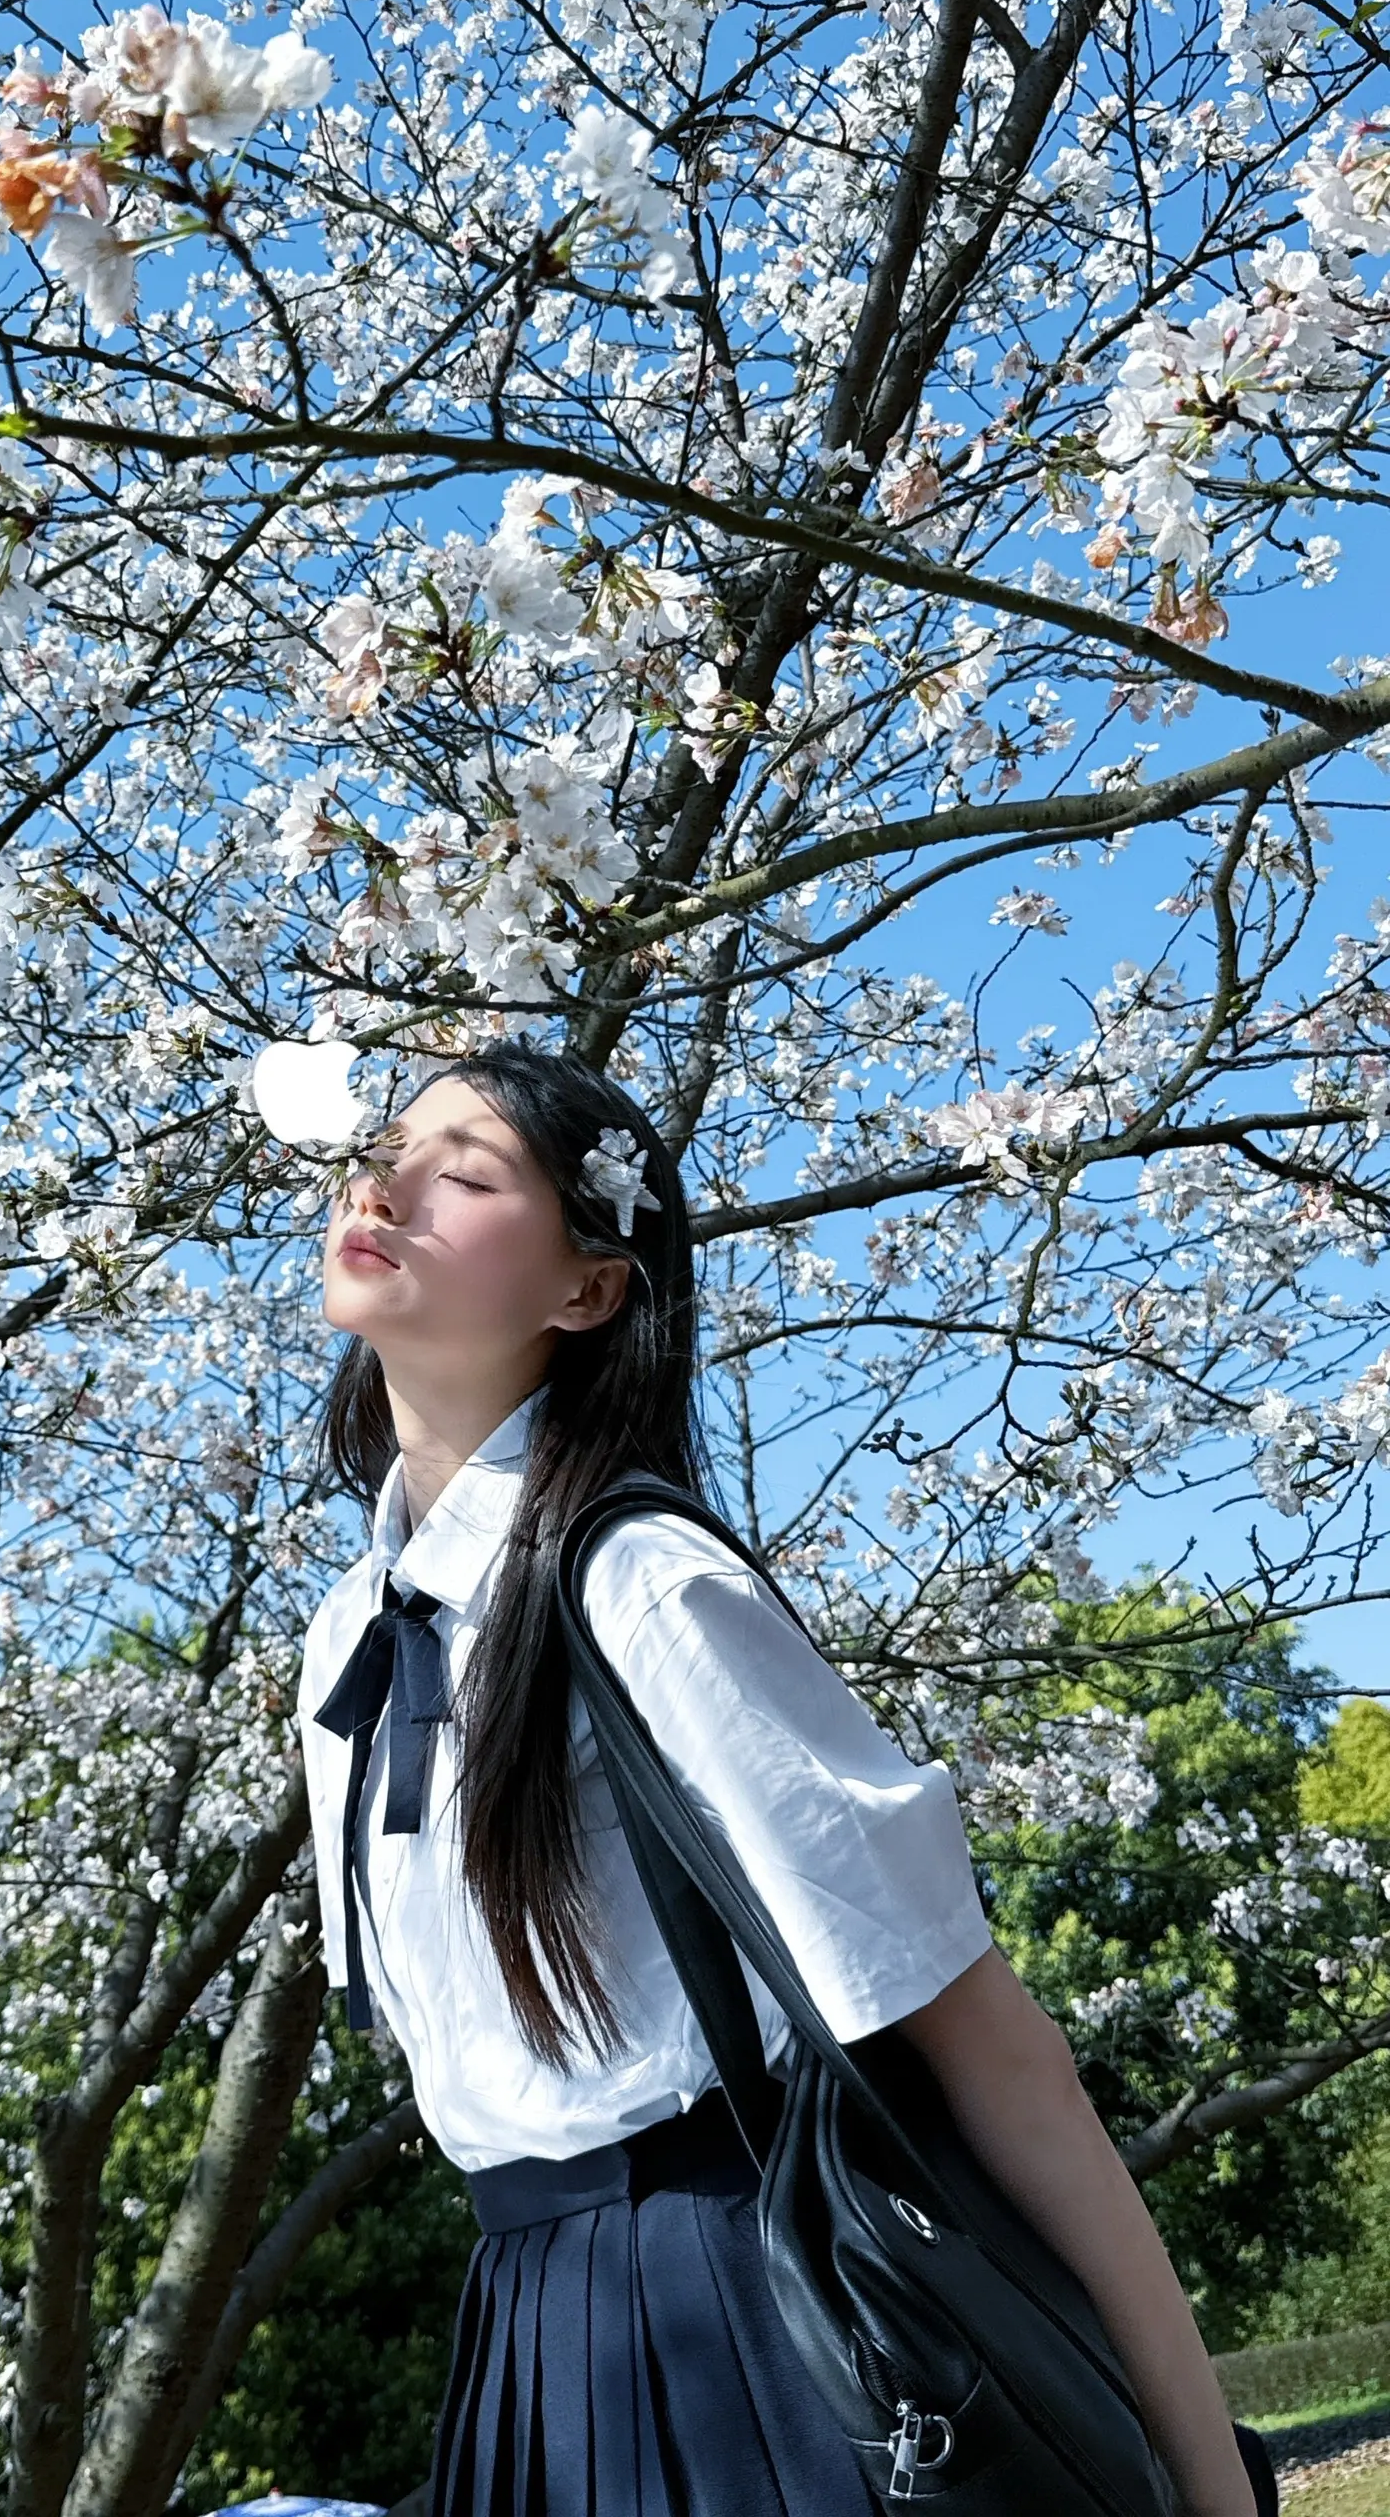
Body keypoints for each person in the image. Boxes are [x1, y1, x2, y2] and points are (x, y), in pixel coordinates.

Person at [295, 1040, 1262, 2517]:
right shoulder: (351, 1643)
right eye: (392, 1146)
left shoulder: (643, 1585)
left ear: (589, 1287)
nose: (392, 1183)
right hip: (525, 2329)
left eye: (469, 1172)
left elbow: (991, 2046)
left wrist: (1206, 2489)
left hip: (749, 2311)